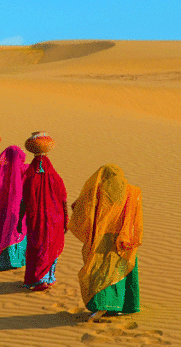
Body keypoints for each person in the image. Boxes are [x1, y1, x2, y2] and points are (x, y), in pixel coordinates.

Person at [68, 164, 142, 321]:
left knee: (101, 272)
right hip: (124, 240)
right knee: (120, 271)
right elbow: (136, 220)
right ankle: (123, 305)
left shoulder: (98, 191)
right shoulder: (133, 191)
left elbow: (79, 208)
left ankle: (103, 305)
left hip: (101, 239)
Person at [17, 132, 68, 291]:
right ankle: (48, 277)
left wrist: (20, 220)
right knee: (49, 246)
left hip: (37, 221)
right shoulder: (55, 177)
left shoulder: (30, 177)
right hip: (55, 220)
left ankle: (38, 279)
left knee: (37, 247)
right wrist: (66, 220)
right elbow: (64, 200)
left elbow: (24, 201)